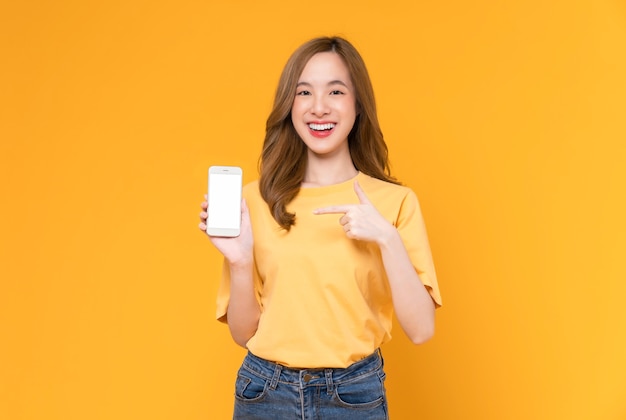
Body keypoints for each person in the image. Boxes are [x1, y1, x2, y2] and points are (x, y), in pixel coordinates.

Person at [199, 36, 442, 420]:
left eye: (336, 91)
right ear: (289, 105)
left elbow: (421, 329)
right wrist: (241, 262)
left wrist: (386, 237)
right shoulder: (257, 200)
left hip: (353, 395)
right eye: (304, 92)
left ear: (358, 104)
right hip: (264, 393)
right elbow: (244, 334)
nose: (319, 107)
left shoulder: (395, 203)